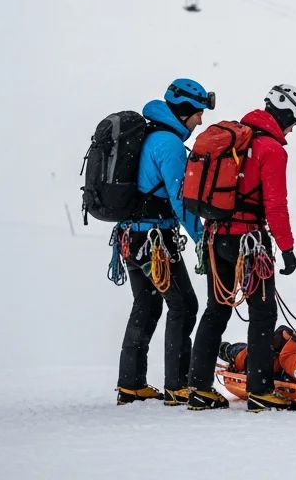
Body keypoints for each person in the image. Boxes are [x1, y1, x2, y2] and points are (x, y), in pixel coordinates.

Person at [187, 84, 296, 412]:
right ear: (284, 116)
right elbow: (275, 204)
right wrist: (287, 248)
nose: (292, 128)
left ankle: (198, 387)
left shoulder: (234, 141)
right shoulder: (271, 149)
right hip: (250, 242)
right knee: (263, 312)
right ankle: (260, 390)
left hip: (215, 237)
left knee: (216, 309)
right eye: (293, 121)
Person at [116, 78, 211, 406]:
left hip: (133, 235)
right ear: (184, 111)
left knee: (148, 302)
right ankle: (177, 385)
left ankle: (131, 383)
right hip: (155, 239)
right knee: (185, 305)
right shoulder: (168, 143)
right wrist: (202, 238)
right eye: (198, 113)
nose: (201, 120)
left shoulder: (150, 135)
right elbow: (180, 199)